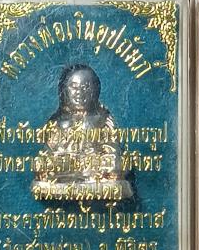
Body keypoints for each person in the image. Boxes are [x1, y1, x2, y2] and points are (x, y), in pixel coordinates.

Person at [32, 64, 133, 200]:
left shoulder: (103, 119)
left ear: (95, 91)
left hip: (94, 168)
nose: (79, 92)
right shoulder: (57, 122)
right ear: (64, 90)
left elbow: (112, 150)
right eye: (73, 87)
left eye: (85, 87)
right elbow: (48, 152)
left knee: (116, 164)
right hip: (64, 168)